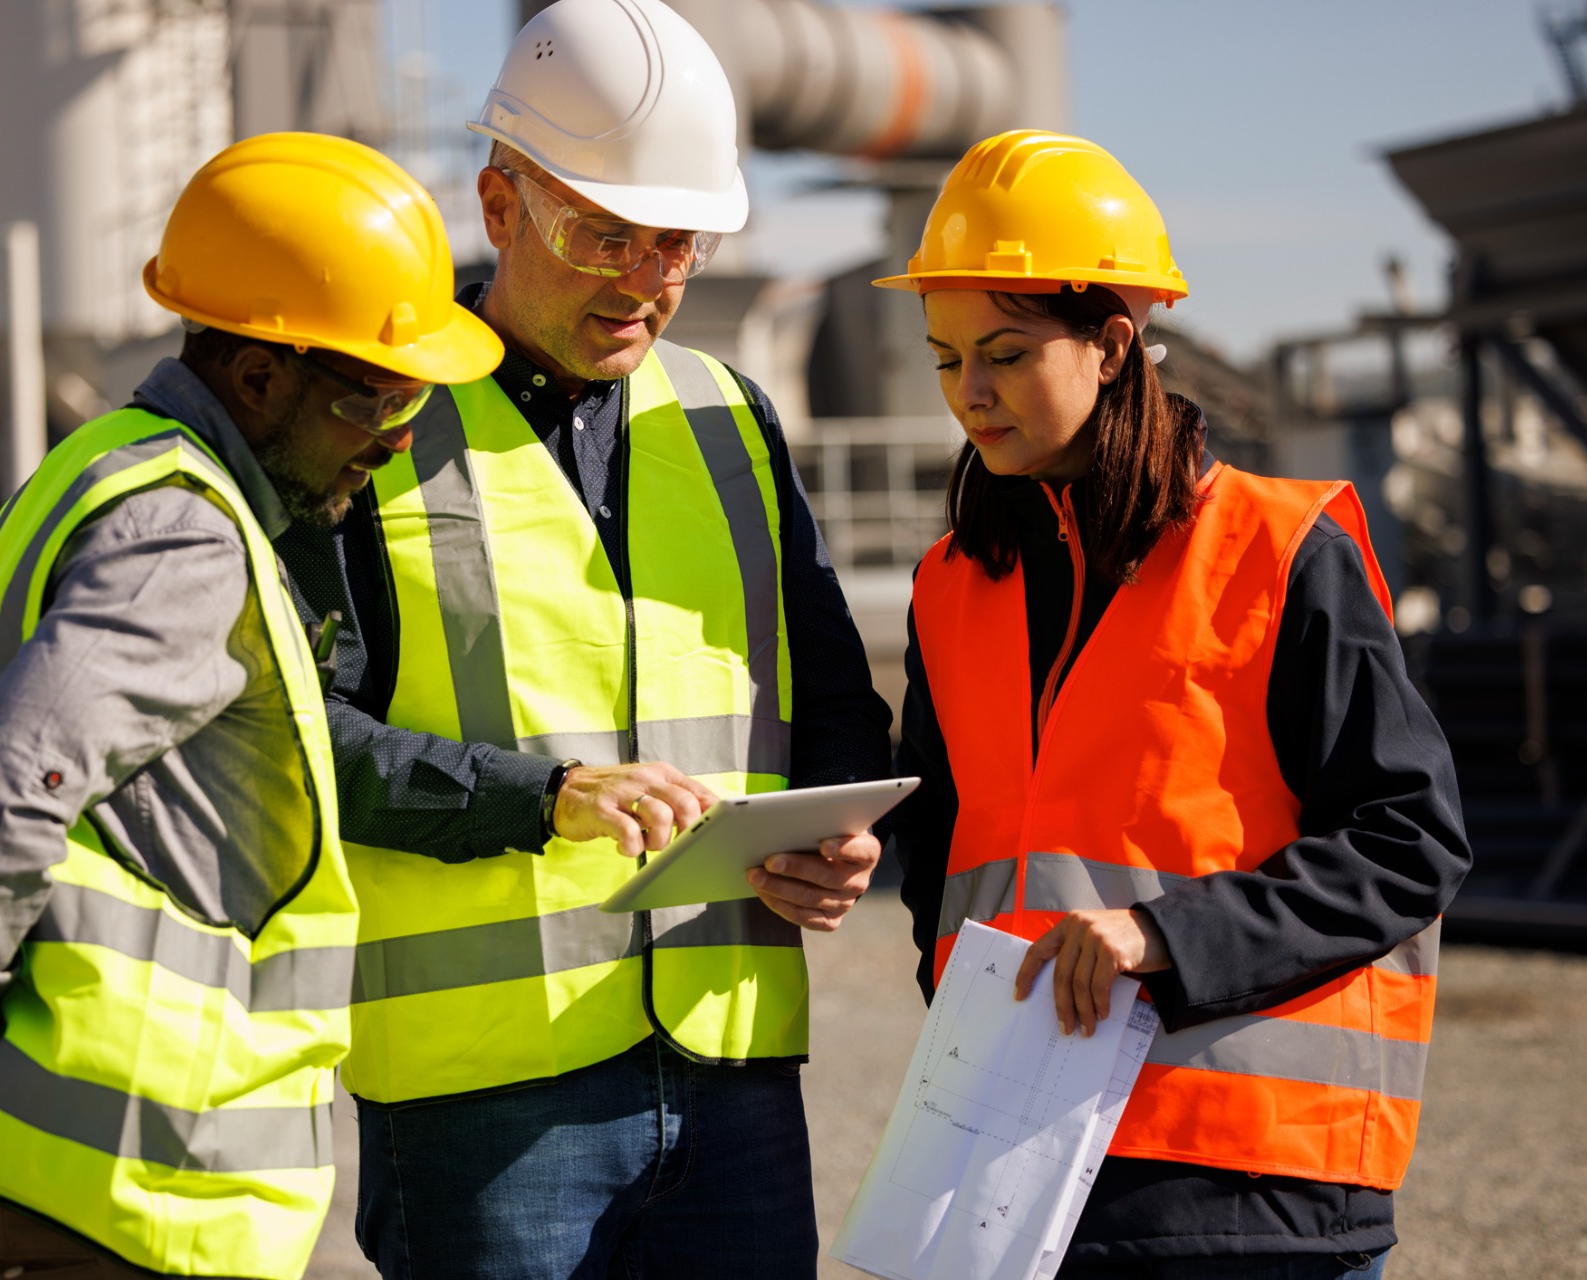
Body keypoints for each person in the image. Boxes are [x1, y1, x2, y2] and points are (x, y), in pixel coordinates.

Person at [0, 133, 502, 1280]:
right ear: (260, 377)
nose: (401, 441)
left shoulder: (92, 472)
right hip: (131, 1211)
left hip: (57, 1196)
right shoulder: (186, 533)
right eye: (383, 396)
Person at [273, 1, 891, 1274]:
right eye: (602, 232)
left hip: (731, 1065)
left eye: (678, 243)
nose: (644, 281)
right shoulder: (376, 420)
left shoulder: (729, 417)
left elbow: (830, 698)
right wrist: (541, 797)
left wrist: (837, 834)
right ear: (499, 208)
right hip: (482, 1102)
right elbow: (298, 739)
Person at [875, 129, 1471, 1279]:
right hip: (1020, 1165)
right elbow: (941, 853)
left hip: (1254, 1187)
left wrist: (1163, 936)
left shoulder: (1277, 550)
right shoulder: (950, 587)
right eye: (947, 358)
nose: (971, 393)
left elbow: (1411, 838)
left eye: (1003, 352)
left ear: (1112, 343)